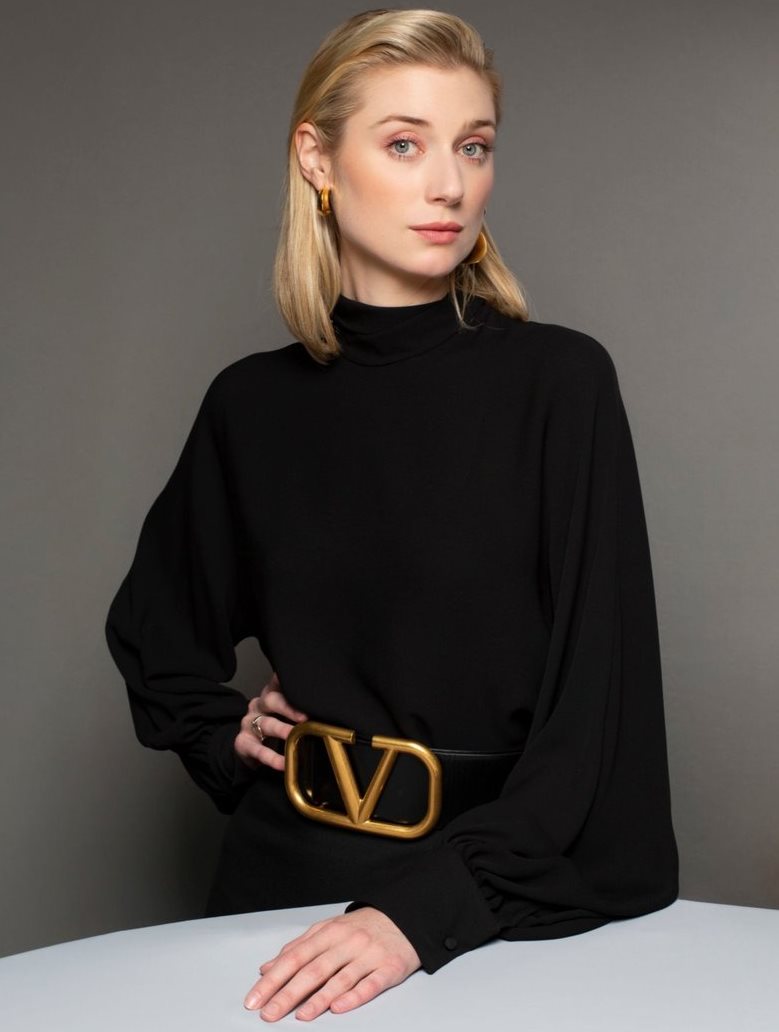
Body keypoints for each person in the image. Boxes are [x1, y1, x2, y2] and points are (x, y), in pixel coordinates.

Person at [104, 8, 678, 1023]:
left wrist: (421, 913)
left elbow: (599, 720)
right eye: (404, 144)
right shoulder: (251, 405)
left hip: (483, 901)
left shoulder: (558, 383)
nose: (448, 183)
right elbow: (157, 632)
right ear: (317, 158)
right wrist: (221, 734)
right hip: (278, 883)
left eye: (473, 146)